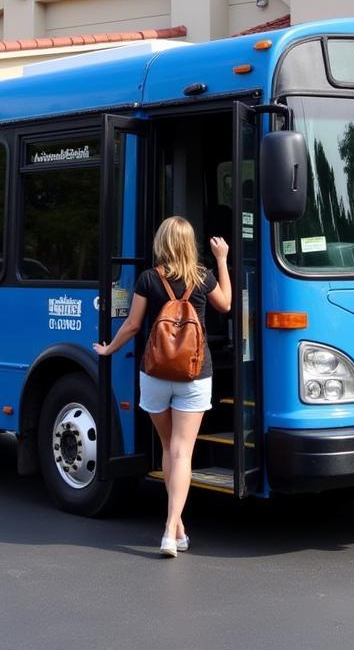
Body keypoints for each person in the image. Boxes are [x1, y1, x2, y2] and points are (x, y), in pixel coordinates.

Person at [94, 216, 231, 557]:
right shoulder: (202, 277)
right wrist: (222, 260)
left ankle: (175, 527)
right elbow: (226, 304)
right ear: (189, 243)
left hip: (154, 373)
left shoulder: (148, 279)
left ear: (161, 242)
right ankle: (172, 528)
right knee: (183, 451)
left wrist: (109, 349)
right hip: (195, 373)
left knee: (168, 447)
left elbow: (132, 325)